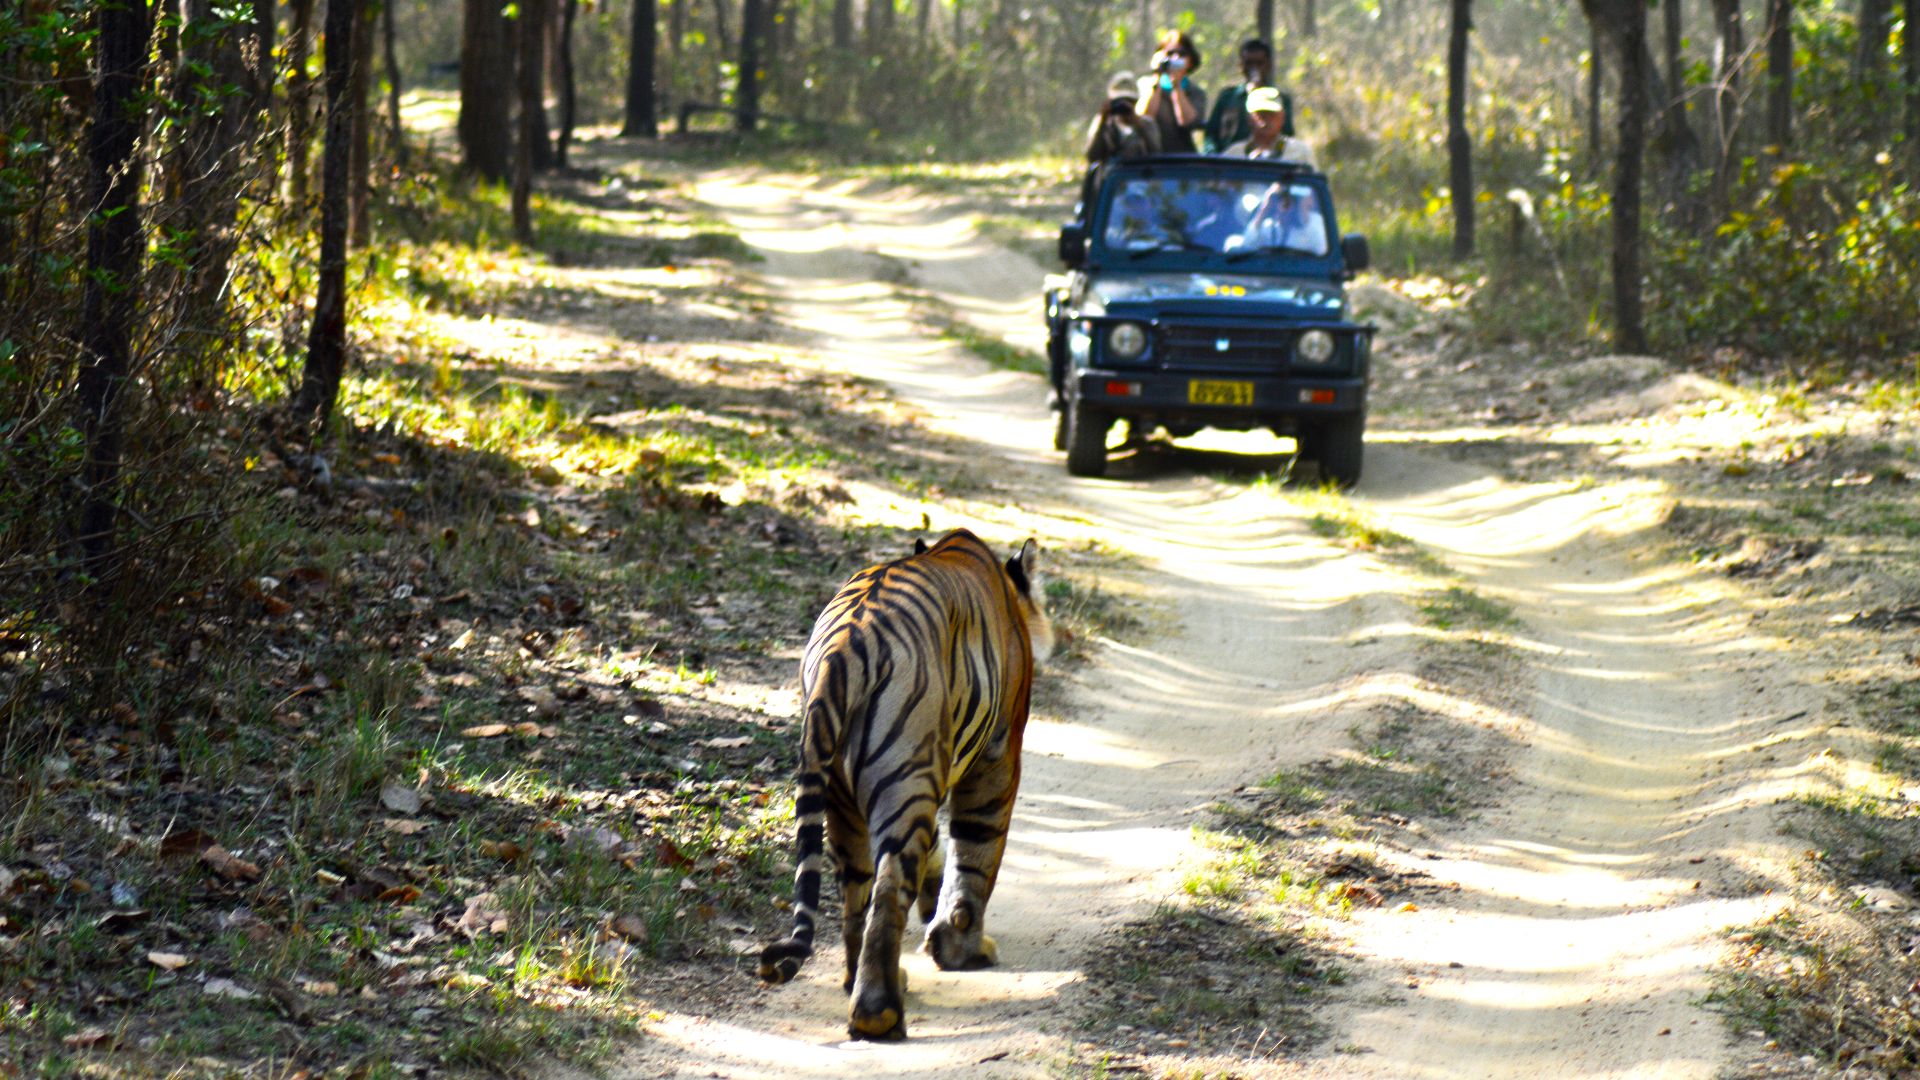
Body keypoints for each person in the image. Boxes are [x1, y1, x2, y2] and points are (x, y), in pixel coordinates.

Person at [1136, 30, 1206, 154]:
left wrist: (1176, 86)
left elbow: (1187, 122)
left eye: (1182, 54)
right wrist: (1157, 75)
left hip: (1182, 161)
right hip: (1148, 161)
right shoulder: (1144, 85)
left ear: (1190, 61)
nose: (1175, 58)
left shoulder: (1196, 92)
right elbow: (1144, 117)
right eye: (1170, 53)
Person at [1203, 38, 1276, 154]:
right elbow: (1211, 134)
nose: (1254, 68)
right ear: (1240, 66)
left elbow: (1286, 135)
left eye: (1259, 63)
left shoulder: (1278, 99)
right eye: (1249, 63)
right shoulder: (1228, 97)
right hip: (1230, 163)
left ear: (1268, 65)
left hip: (1265, 165)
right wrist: (1212, 158)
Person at [1221, 86, 1316, 168]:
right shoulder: (1233, 154)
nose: (1266, 119)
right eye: (1260, 114)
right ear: (1249, 118)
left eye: (1271, 114)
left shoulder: (1301, 153)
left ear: (1282, 117)